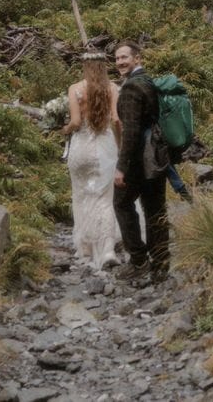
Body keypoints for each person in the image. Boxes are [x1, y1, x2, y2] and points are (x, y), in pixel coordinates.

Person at [112, 41, 168, 285]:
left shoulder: (132, 88)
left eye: (124, 57)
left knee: (121, 203)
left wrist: (121, 167)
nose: (120, 62)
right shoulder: (149, 82)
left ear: (137, 58)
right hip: (158, 155)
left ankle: (138, 260)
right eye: (117, 59)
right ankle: (161, 263)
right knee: (155, 208)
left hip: (138, 159)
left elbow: (132, 132)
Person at [61, 52, 122, 271]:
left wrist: (64, 128)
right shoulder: (113, 88)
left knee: (81, 194)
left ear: (86, 66)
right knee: (104, 199)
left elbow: (76, 122)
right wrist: (120, 145)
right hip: (104, 148)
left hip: (80, 150)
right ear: (103, 67)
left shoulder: (75, 88)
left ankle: (86, 246)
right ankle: (107, 249)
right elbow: (116, 119)